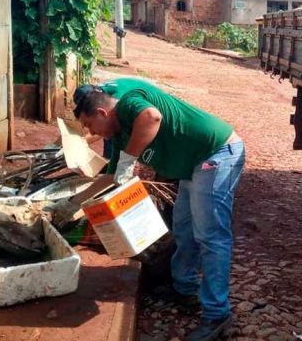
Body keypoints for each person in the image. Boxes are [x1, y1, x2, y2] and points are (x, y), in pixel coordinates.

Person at [50, 77, 245, 340]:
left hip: (216, 153)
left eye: (90, 126)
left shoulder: (128, 103)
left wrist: (129, 161)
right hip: (192, 164)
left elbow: (152, 117)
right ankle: (184, 288)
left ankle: (218, 315)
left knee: (210, 236)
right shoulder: (119, 133)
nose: (94, 134)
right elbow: (111, 177)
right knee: (184, 228)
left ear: (102, 112)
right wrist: (73, 203)